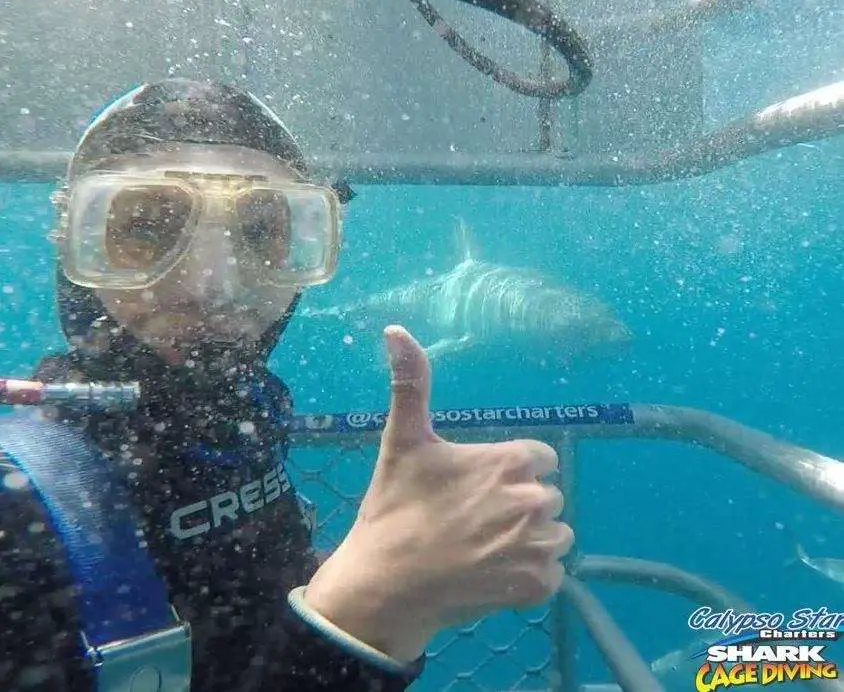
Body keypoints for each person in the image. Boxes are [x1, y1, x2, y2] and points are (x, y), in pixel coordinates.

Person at [0, 79, 573, 691]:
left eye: (263, 232)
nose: (212, 284)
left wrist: (357, 578)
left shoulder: (247, 419)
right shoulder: (14, 512)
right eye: (143, 227)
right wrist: (369, 612)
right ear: (73, 244)